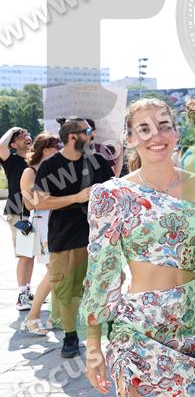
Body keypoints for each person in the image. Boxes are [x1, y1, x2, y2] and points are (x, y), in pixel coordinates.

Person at [81, 99, 195, 396]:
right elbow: (102, 273)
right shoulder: (113, 194)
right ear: (129, 139)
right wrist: (93, 346)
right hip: (138, 330)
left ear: (176, 133)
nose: (157, 136)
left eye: (164, 126)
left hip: (193, 327)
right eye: (144, 129)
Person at [34, 117, 113, 358]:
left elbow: (114, 192)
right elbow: (40, 201)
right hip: (65, 237)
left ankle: (112, 332)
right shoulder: (51, 166)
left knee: (105, 285)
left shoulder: (98, 161)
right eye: (87, 131)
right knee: (66, 290)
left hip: (99, 237)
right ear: (72, 137)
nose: (92, 135)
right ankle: (70, 336)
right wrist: (76, 198)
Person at [19, 133, 62, 335]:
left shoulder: (57, 168)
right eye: (56, 146)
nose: (60, 149)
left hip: (58, 221)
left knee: (58, 272)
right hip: (43, 223)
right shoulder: (30, 171)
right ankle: (32, 317)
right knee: (55, 271)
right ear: (45, 150)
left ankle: (54, 315)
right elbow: (29, 204)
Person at [0, 127, 35, 311]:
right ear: (13, 145)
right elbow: (0, 146)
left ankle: (27, 290)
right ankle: (21, 295)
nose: (26, 137)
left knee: (31, 254)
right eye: (20, 137)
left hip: (34, 212)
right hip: (18, 213)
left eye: (27, 134)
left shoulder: (35, 160)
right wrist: (13, 129)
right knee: (24, 254)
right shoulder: (11, 160)